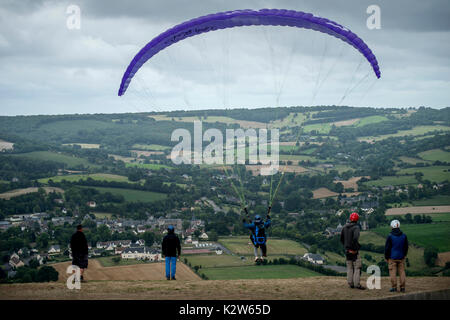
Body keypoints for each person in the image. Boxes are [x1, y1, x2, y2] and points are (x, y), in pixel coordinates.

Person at [340, 212, 365, 290]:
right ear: (357, 220)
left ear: (350, 219)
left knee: (349, 267)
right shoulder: (356, 228)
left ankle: (350, 283)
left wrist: (346, 247)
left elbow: (341, 239)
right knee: (357, 267)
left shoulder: (344, 227)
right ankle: (357, 284)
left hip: (347, 250)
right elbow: (355, 238)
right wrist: (354, 248)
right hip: (354, 251)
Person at [385, 219, 408, 293]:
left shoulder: (390, 236)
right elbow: (406, 247)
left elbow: (387, 248)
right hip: (401, 257)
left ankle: (394, 287)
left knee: (392, 273)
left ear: (392, 226)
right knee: (402, 272)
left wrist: (386, 257)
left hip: (392, 257)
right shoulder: (404, 236)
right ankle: (402, 288)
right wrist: (404, 255)